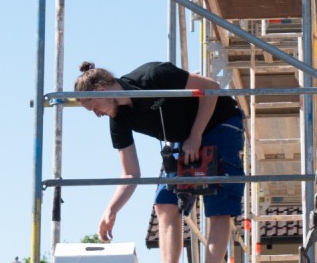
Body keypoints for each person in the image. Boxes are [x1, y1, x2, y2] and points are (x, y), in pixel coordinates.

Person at [75, 61, 245, 263]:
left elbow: (211, 88)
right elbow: (130, 173)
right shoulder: (119, 120)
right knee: (164, 202)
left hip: (219, 122)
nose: (97, 114)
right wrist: (111, 210)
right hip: (183, 139)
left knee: (218, 204)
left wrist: (196, 135)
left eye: (94, 107)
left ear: (102, 91)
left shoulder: (153, 75)